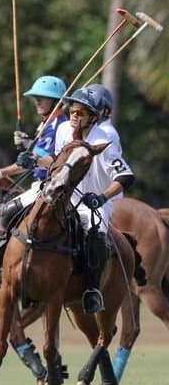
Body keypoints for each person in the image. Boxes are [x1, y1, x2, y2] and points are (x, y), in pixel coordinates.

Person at [0, 74, 69, 278]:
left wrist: (28, 147)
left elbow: (49, 160)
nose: (37, 101)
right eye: (36, 97)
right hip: (38, 184)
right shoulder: (46, 125)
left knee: (4, 211)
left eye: (42, 97)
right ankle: (1, 262)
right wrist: (0, 172)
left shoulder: (60, 125)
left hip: (51, 186)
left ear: (56, 100)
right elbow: (29, 161)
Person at [53, 86, 134, 312]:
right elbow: (55, 161)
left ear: (93, 117)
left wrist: (101, 198)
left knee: (97, 234)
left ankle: (92, 289)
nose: (74, 116)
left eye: (81, 112)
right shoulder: (62, 131)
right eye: (72, 111)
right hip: (63, 196)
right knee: (17, 208)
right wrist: (31, 155)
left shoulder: (104, 140)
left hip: (92, 202)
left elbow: (126, 176)